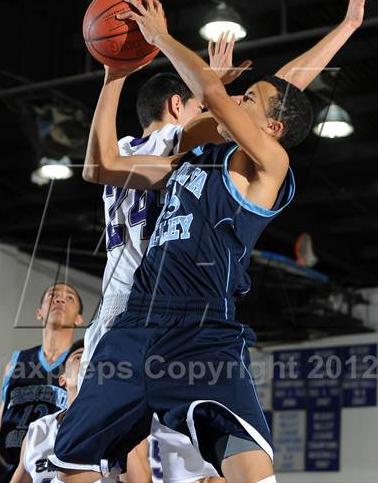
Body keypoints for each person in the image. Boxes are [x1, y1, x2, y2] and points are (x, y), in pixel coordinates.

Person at [50, 0, 378, 483]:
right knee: (70, 461)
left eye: (248, 100)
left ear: (268, 129)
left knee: (251, 472)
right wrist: (114, 73)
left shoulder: (268, 166)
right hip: (135, 323)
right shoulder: (189, 159)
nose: (235, 97)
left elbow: (253, 94)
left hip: (202, 330)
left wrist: (161, 39)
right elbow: (101, 166)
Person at [81, 37, 247, 483]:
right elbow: (234, 120)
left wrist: (112, 75)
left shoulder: (121, 146)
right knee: (195, 454)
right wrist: (211, 86)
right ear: (177, 106)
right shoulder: (175, 142)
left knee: (108, 459)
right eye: (195, 106)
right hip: (158, 311)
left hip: (111, 311)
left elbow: (93, 165)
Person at [0, 283, 83, 482]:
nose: (59, 299)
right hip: (13, 469)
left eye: (70, 298)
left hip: (53, 471)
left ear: (79, 319)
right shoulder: (16, 362)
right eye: (52, 295)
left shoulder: (80, 363)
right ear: (39, 312)